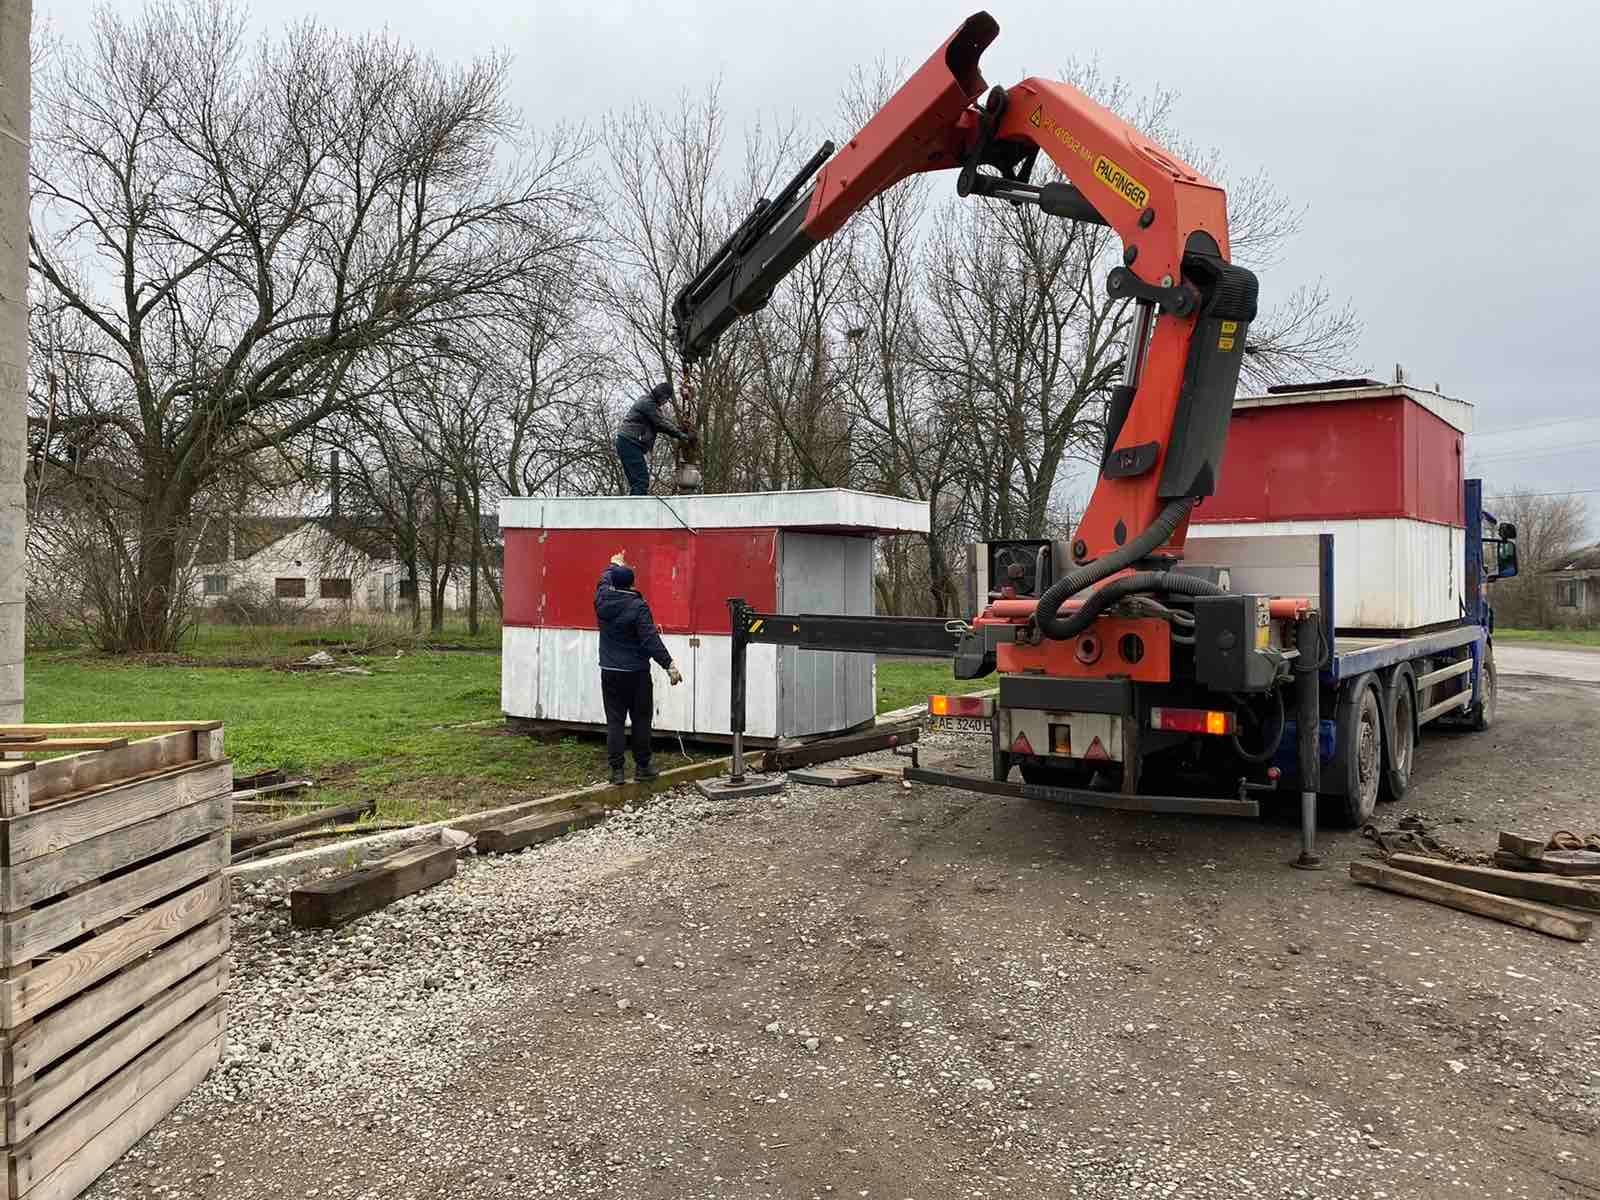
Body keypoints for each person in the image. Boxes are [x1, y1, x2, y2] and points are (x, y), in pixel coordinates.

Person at [595, 554, 683, 784]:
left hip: (610, 672)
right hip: (636, 674)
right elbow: (650, 640)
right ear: (633, 583)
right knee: (641, 720)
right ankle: (643, 767)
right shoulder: (638, 606)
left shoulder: (602, 600)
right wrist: (669, 664)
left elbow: (603, 581)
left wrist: (613, 565)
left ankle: (617, 772)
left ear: (613, 582)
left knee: (614, 721)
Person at [616, 381, 696, 496]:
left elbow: (662, 424)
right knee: (641, 480)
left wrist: (679, 430)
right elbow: (661, 423)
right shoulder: (647, 404)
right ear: (662, 396)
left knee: (637, 481)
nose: (665, 402)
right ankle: (636, 510)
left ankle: (634, 505)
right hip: (629, 442)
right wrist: (683, 436)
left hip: (628, 442)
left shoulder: (650, 404)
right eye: (666, 399)